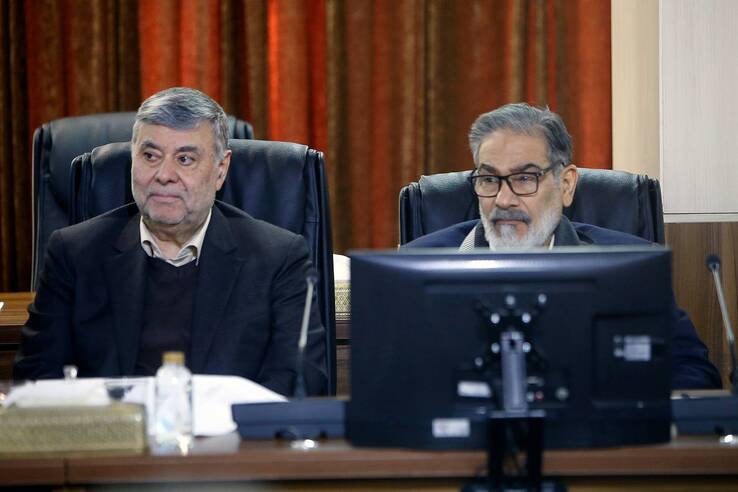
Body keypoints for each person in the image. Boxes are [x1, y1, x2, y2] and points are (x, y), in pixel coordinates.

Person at [14, 87, 326, 396]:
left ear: (221, 169)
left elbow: (299, 381)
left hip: (227, 427)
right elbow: (35, 380)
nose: (164, 175)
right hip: (112, 427)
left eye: (185, 159)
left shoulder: (278, 259)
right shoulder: (74, 253)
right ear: (133, 159)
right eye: (150, 156)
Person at [405, 102, 721, 390]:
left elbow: (693, 374)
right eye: (489, 180)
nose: (503, 199)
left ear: (566, 185)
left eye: (525, 178)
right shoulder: (419, 265)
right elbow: (392, 378)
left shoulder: (630, 267)